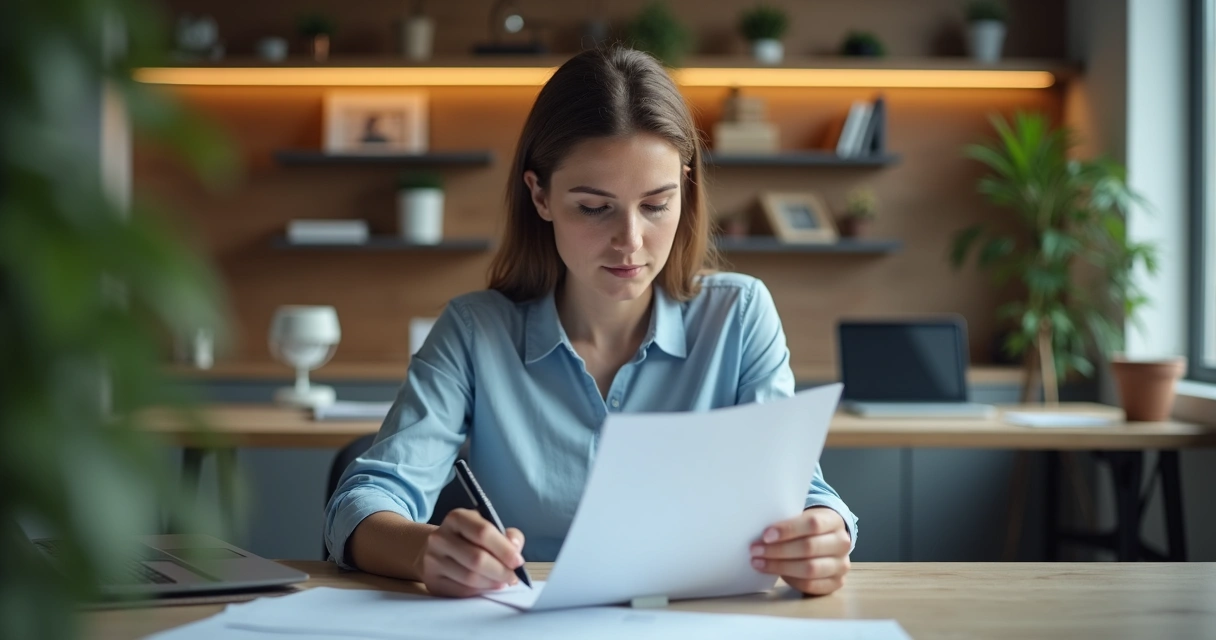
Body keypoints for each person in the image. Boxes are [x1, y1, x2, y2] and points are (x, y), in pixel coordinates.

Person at [324, 46, 857, 599]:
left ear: (685, 188)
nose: (630, 240)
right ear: (540, 195)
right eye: (594, 207)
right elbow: (360, 503)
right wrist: (425, 549)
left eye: (656, 204)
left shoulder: (739, 316)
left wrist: (823, 532)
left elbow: (801, 492)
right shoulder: (474, 331)